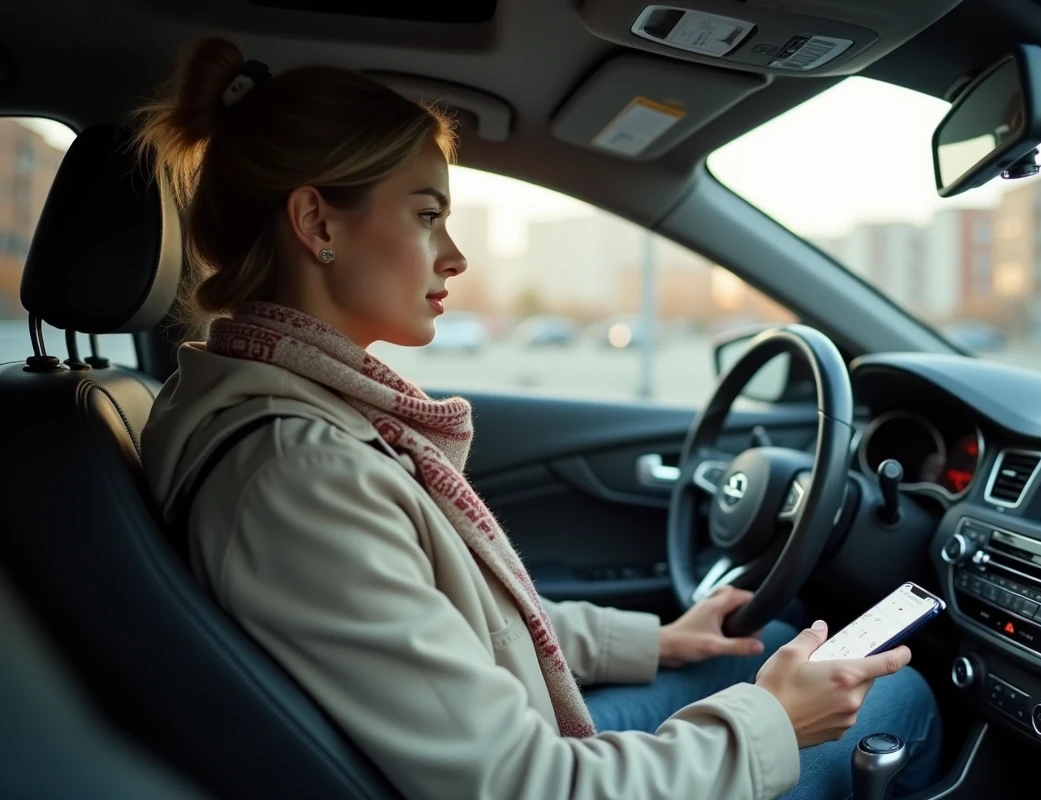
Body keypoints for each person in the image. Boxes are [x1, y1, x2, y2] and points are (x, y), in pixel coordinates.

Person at [137, 37, 941, 800]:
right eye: (426, 215)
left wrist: (656, 639)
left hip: (500, 742)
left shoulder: (270, 409)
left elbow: (449, 616)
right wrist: (774, 724)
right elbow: (528, 786)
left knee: (774, 642)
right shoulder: (298, 469)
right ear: (317, 224)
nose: (454, 255)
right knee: (895, 693)